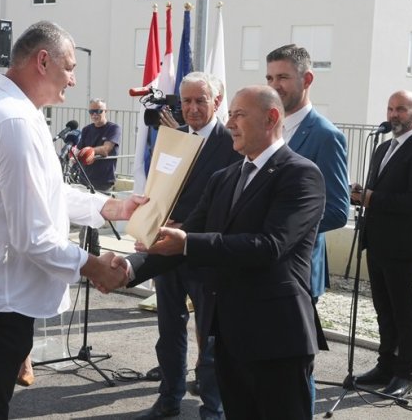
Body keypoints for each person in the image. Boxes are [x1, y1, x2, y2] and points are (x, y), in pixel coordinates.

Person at [0, 20, 146, 420]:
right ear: (42, 61)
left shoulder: (16, 113)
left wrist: (111, 208)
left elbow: (47, 193)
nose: (73, 79)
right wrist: (94, 266)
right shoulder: (13, 121)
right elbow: (33, 236)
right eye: (69, 67)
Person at [122, 85, 326, 420]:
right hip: (230, 336)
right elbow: (182, 238)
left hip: (277, 338)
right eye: (229, 114)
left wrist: (187, 242)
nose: (229, 123)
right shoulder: (224, 178)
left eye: (239, 115)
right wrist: (127, 268)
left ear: (271, 118)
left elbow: (270, 246)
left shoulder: (301, 174)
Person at [136, 72, 241, 420]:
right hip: (166, 251)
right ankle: (169, 398)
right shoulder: (173, 138)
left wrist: (189, 230)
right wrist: (149, 225)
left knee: (210, 337)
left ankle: (213, 409)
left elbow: (232, 205)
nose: (192, 108)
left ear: (217, 101)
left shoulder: (232, 144)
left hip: (204, 253)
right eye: (186, 101)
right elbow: (159, 189)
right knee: (169, 330)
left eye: (200, 100)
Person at [265, 43, 350, 414]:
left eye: (283, 77)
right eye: (270, 77)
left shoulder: (325, 135)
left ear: (307, 79)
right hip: (261, 266)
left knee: (294, 372)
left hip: (296, 271)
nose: (275, 85)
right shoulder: (267, 126)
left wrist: (279, 230)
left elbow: (337, 211)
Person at [353, 90, 412, 398]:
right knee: (384, 310)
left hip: (403, 246)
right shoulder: (382, 148)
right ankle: (385, 367)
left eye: (401, 109)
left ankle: (405, 374)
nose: (393, 115)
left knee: (404, 312)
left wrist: (372, 197)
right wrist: (360, 194)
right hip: (377, 242)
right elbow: (375, 193)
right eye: (390, 109)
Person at [76, 98, 121, 192]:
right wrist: (74, 154)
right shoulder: (86, 129)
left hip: (103, 181)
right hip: (84, 179)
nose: (94, 114)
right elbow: (78, 150)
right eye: (91, 112)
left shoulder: (113, 128)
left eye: (98, 111)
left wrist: (89, 151)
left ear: (106, 111)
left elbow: (105, 150)